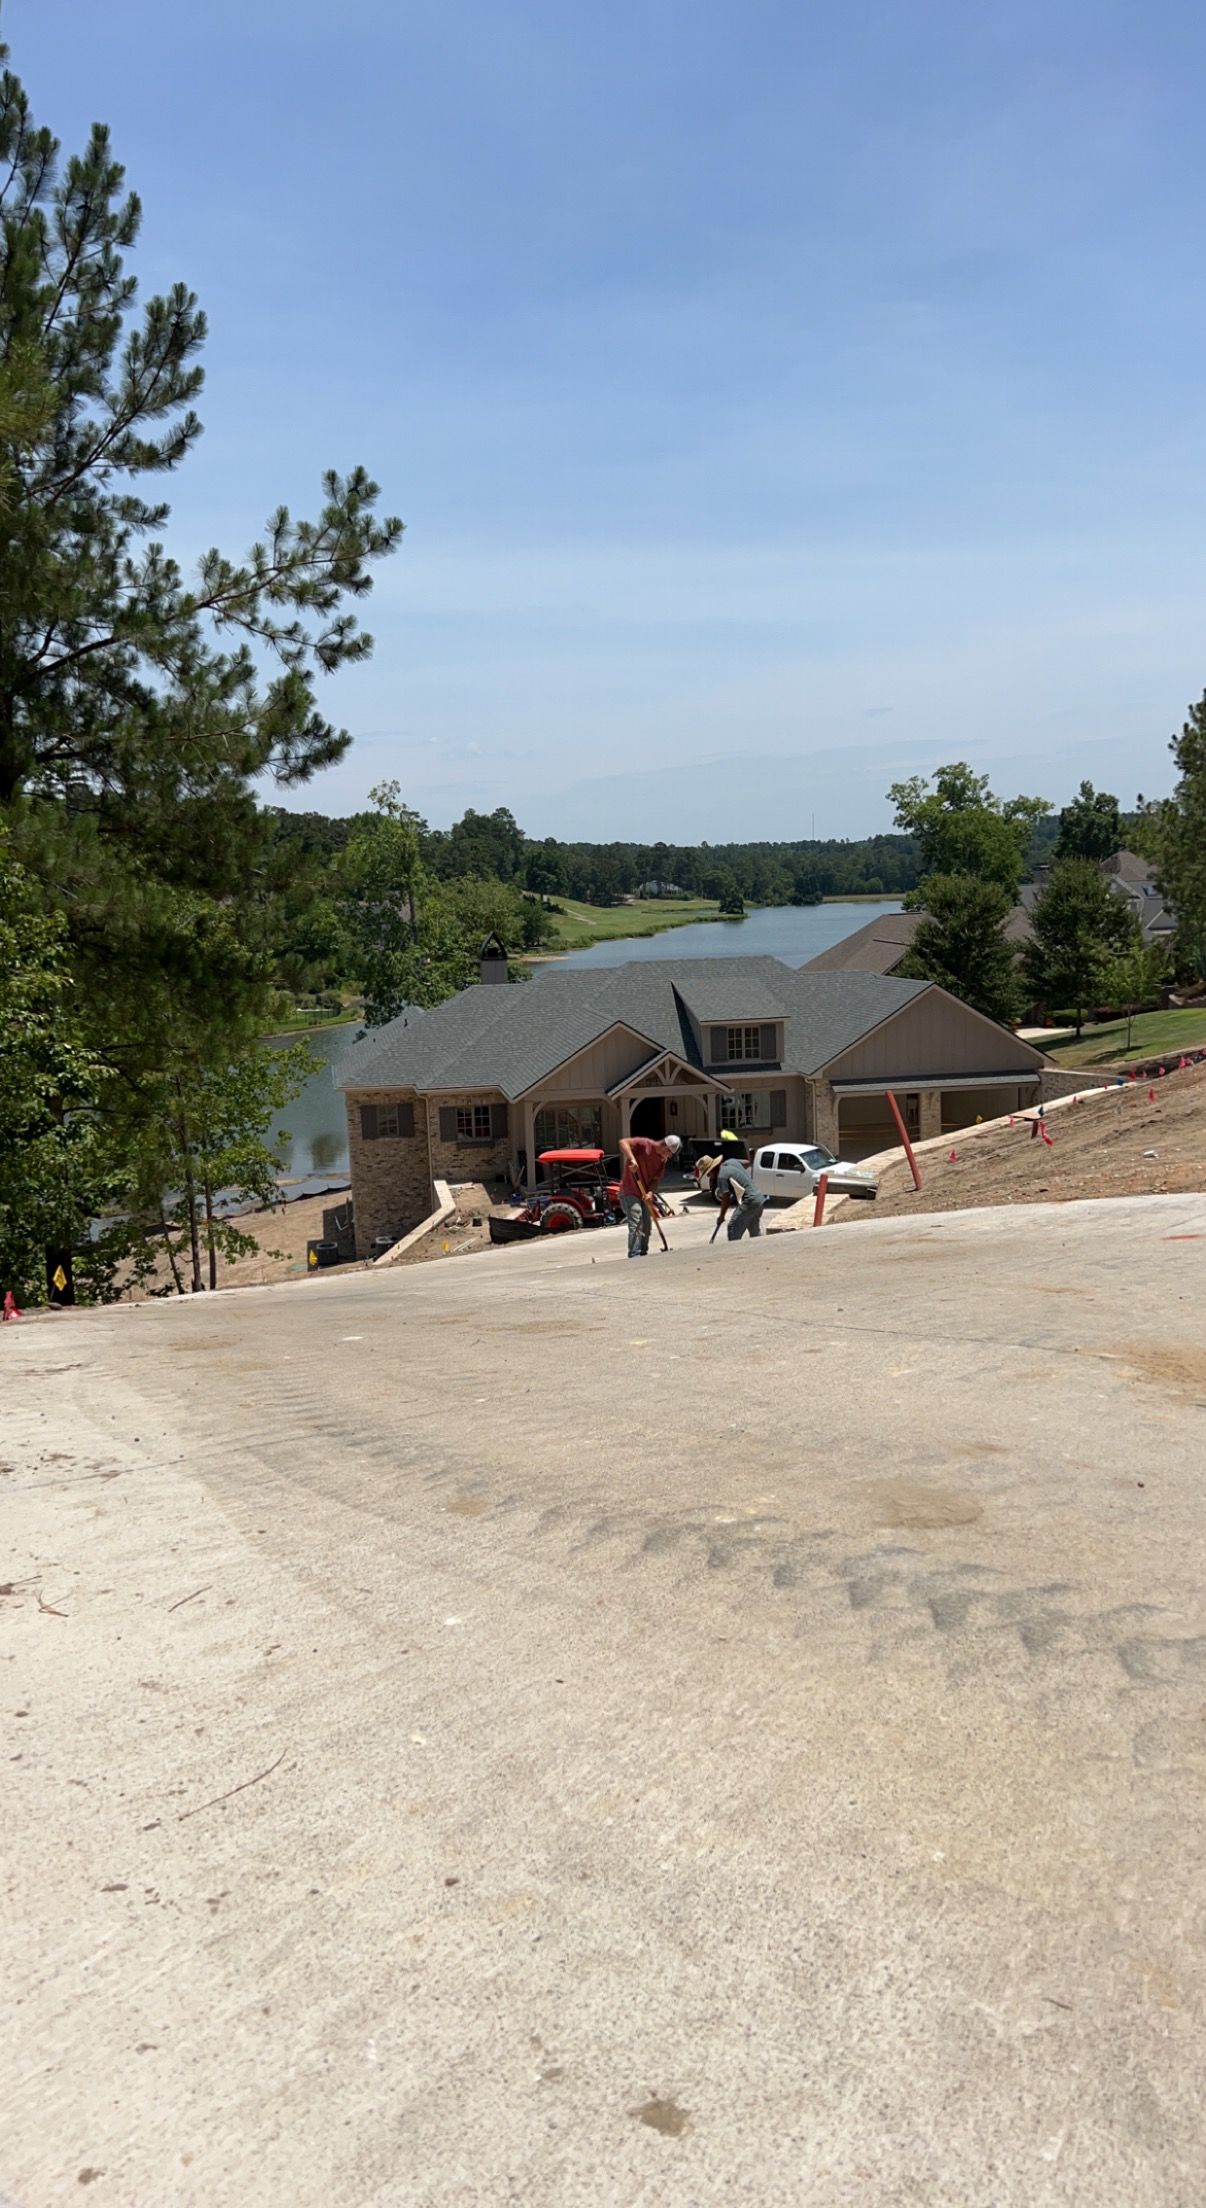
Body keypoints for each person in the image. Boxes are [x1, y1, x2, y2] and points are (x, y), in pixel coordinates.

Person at [617, 1132, 681, 1257]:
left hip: (644, 1193)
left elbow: (655, 1180)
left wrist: (650, 1193)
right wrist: (632, 1159)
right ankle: (634, 1255)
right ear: (664, 1147)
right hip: (629, 1190)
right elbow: (623, 1142)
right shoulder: (644, 1144)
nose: (669, 1156)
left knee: (647, 1224)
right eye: (669, 1153)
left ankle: (643, 1253)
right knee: (637, 1218)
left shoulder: (662, 1161)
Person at [716, 1153, 768, 1241]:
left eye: (708, 1173)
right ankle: (760, 1251)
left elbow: (726, 1199)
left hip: (749, 1201)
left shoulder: (721, 1176)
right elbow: (747, 1163)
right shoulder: (731, 1161)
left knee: (732, 1228)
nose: (709, 1176)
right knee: (754, 1231)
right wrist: (739, 1175)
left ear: (713, 1169)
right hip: (759, 1198)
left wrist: (721, 1216)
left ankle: (736, 1253)